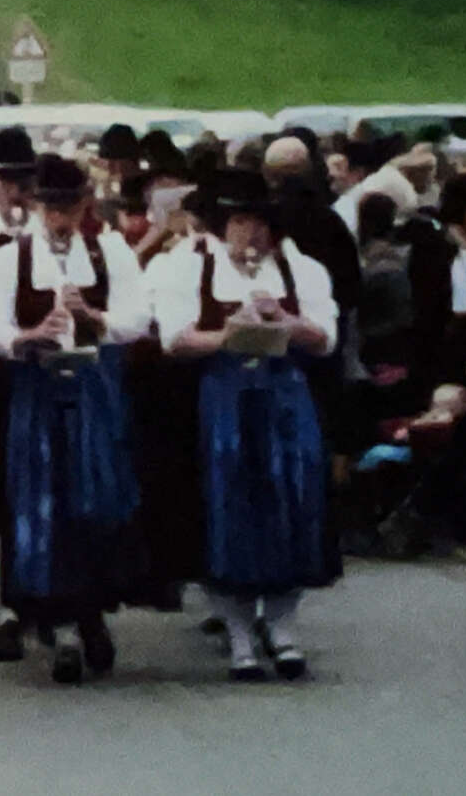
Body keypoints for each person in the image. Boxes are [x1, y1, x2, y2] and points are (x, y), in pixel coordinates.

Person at [0, 154, 152, 683]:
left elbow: (138, 315)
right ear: (35, 206)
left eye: (69, 206)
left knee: (96, 500)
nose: (60, 217)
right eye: (51, 207)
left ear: (85, 205)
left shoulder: (108, 250)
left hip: (96, 387)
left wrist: (96, 319)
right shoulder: (13, 257)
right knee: (45, 502)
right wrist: (26, 337)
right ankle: (62, 625)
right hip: (38, 386)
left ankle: (92, 609)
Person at [161, 169, 339, 682]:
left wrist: (286, 322)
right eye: (240, 221)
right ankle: (239, 633)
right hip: (225, 400)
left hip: (286, 397)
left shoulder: (299, 268)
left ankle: (282, 627)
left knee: (292, 502)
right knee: (230, 507)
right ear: (223, 225)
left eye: (259, 222)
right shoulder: (188, 267)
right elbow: (174, 337)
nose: (251, 233)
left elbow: (325, 335)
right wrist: (227, 335)